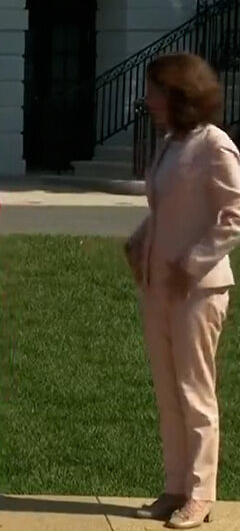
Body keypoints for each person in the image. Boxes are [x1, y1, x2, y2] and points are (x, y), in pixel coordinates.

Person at [125, 52, 240, 529]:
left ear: (178, 94)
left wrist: (190, 264)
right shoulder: (172, 143)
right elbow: (170, 207)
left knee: (195, 391)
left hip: (198, 291)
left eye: (154, 91)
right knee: (168, 392)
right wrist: (140, 242)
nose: (147, 101)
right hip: (158, 287)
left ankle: (201, 492)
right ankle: (174, 487)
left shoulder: (215, 146)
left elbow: (233, 216)